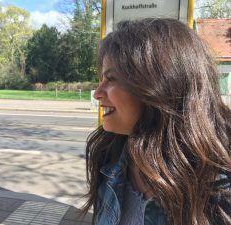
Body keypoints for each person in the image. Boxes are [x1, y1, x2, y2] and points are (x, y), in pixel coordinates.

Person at [81, 18, 231, 225]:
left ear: (160, 85)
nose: (97, 93)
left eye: (111, 79)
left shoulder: (218, 187)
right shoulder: (108, 158)